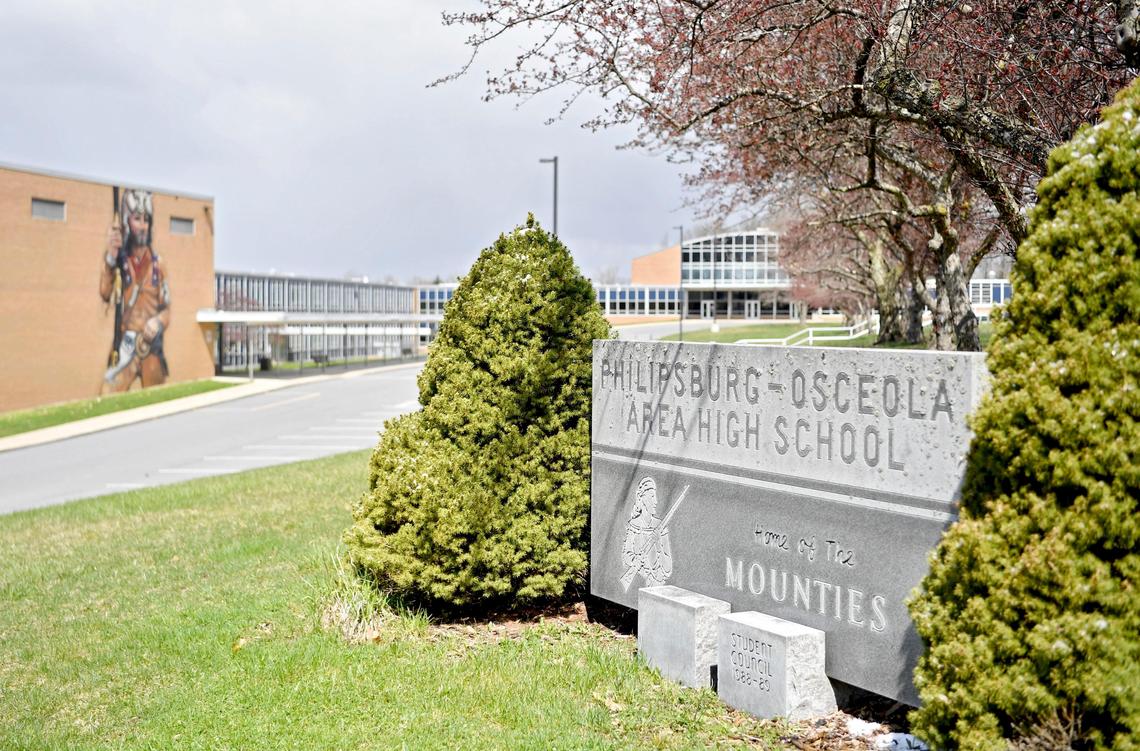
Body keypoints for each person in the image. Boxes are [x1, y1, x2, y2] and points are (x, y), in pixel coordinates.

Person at [99, 188, 171, 392]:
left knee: (156, 399)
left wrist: (157, 321)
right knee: (109, 394)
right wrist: (111, 258)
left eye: (146, 220)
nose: (142, 226)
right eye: (137, 219)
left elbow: (167, 310)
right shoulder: (119, 262)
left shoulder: (158, 265)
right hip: (127, 345)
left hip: (152, 347)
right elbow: (105, 293)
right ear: (126, 222)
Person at [619, 476, 674, 591]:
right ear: (642, 498)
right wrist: (636, 561)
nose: (656, 501)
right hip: (639, 582)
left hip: (657, 584)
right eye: (652, 497)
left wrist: (658, 543)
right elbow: (627, 554)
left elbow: (668, 569)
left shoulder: (660, 526)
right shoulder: (634, 524)